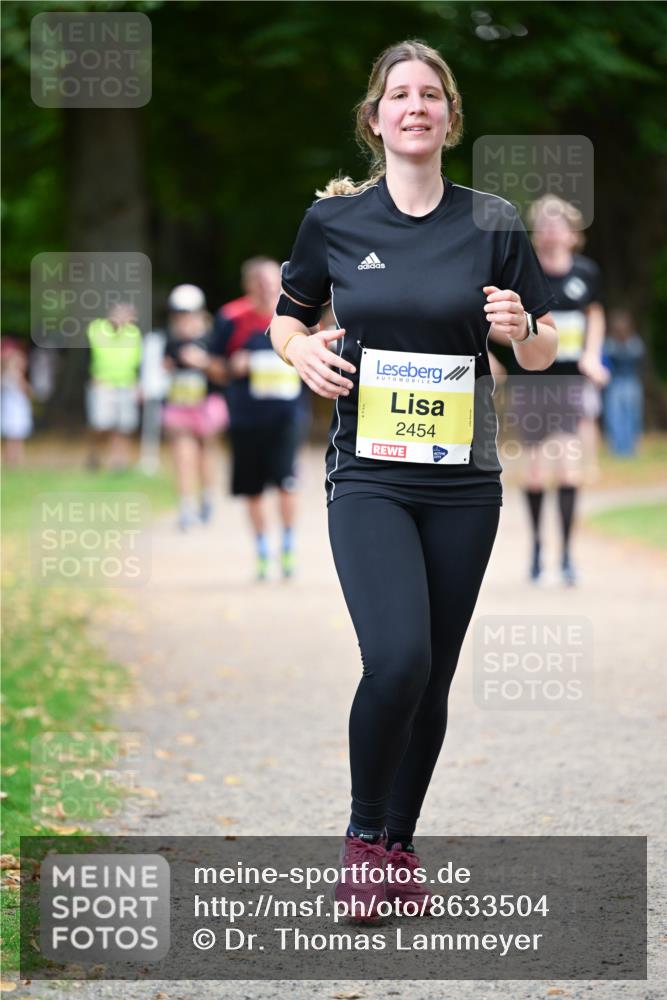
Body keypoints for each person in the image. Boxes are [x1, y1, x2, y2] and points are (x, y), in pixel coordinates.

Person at [269, 40, 558, 921]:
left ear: (449, 117)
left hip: (463, 482)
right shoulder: (334, 222)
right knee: (396, 657)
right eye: (399, 94)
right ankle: (362, 841)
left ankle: (398, 847)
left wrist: (520, 327)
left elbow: (543, 350)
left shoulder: (492, 221)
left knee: (432, 676)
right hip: (369, 474)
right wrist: (300, 352)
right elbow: (285, 320)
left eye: (431, 94)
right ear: (375, 118)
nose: (416, 106)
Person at [489, 195, 609, 586]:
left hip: (571, 383)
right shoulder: (524, 272)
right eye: (543, 223)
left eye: (558, 223)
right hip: (531, 383)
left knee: (570, 469)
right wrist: (523, 340)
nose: (551, 229)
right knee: (537, 472)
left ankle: (568, 555)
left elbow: (595, 314)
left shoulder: (586, 273)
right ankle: (538, 550)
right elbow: (496, 322)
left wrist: (591, 355)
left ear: (573, 233)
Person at [214, 257, 306, 580]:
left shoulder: (296, 314)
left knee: (287, 482)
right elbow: (215, 366)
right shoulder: (231, 317)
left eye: (272, 281)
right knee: (252, 489)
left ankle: (288, 547)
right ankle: (263, 550)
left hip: (287, 416)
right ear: (249, 285)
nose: (267, 287)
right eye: (260, 282)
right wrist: (232, 366)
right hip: (246, 418)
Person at [161, 284, 229, 531]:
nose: (183, 317)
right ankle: (186, 506)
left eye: (188, 312)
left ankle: (207, 498)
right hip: (179, 406)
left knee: (206, 455)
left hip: (207, 405)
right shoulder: (169, 340)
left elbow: (224, 373)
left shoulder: (211, 338)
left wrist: (203, 363)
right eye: (179, 312)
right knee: (183, 454)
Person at [85, 302, 143, 471]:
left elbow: (137, 361)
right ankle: (95, 453)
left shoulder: (133, 334)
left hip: (126, 383)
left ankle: (119, 461)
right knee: (100, 424)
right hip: (103, 383)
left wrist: (137, 384)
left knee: (123, 426)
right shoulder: (97, 329)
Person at [603, 308, 645, 456]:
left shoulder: (635, 343)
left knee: (633, 415)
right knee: (614, 416)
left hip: (631, 381)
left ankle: (631, 448)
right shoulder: (609, 343)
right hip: (614, 383)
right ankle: (617, 449)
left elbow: (640, 362)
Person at [1, 338, 33, 465]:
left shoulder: (10, 376)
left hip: (16, 409)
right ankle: (12, 459)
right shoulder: (10, 376)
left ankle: (16, 459)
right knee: (13, 436)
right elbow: (27, 390)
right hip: (12, 410)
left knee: (16, 436)